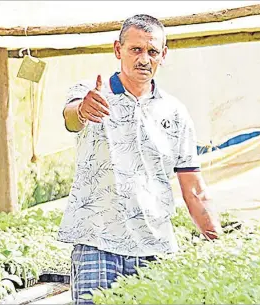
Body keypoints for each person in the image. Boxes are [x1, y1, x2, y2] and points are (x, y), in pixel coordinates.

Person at [58, 14, 221, 304]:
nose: (144, 59)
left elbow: (194, 188)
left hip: (154, 248)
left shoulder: (175, 112)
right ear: (118, 50)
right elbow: (71, 118)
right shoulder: (90, 92)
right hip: (98, 243)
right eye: (135, 49)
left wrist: (219, 243)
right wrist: (83, 109)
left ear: (164, 55)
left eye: (152, 51)